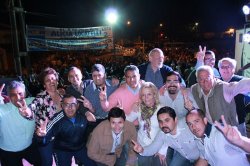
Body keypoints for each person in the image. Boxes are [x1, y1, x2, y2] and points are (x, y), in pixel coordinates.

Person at [36, 94, 96, 166]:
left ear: (77, 106)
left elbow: (92, 126)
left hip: (79, 148)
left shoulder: (83, 116)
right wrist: (41, 136)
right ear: (62, 106)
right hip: (63, 150)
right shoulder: (56, 119)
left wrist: (91, 113)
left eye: (73, 104)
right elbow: (44, 141)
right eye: (66, 105)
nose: (70, 108)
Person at [132, 106, 200, 166]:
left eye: (167, 120)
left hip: (201, 156)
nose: (163, 124)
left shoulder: (188, 126)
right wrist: (141, 150)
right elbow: (152, 149)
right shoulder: (162, 133)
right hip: (183, 155)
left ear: (175, 120)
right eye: (160, 121)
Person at [0, 81, 41, 166]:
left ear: (25, 93)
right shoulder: (3, 109)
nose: (18, 97)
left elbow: (46, 100)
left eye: (20, 93)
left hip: (29, 146)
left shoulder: (32, 101)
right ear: (9, 97)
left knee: (41, 162)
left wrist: (58, 91)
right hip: (9, 151)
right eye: (13, 95)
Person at [29, 67, 64, 166]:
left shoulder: (62, 96)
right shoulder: (41, 97)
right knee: (47, 162)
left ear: (57, 81)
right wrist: (27, 112)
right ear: (44, 85)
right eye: (48, 80)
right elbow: (32, 108)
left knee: (61, 161)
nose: (51, 81)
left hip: (59, 136)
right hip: (45, 136)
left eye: (53, 79)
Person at [126, 82, 163, 165]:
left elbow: (166, 132)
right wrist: (120, 111)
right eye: (143, 95)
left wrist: (162, 150)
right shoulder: (139, 108)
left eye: (149, 94)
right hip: (142, 145)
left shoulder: (162, 109)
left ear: (154, 94)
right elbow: (128, 119)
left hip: (157, 146)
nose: (146, 98)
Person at [218, 57, 250, 136]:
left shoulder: (241, 81)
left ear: (233, 68)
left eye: (228, 66)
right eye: (222, 67)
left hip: (238, 122)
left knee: (240, 146)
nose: (225, 69)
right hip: (220, 122)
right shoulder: (215, 82)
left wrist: (245, 110)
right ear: (219, 69)